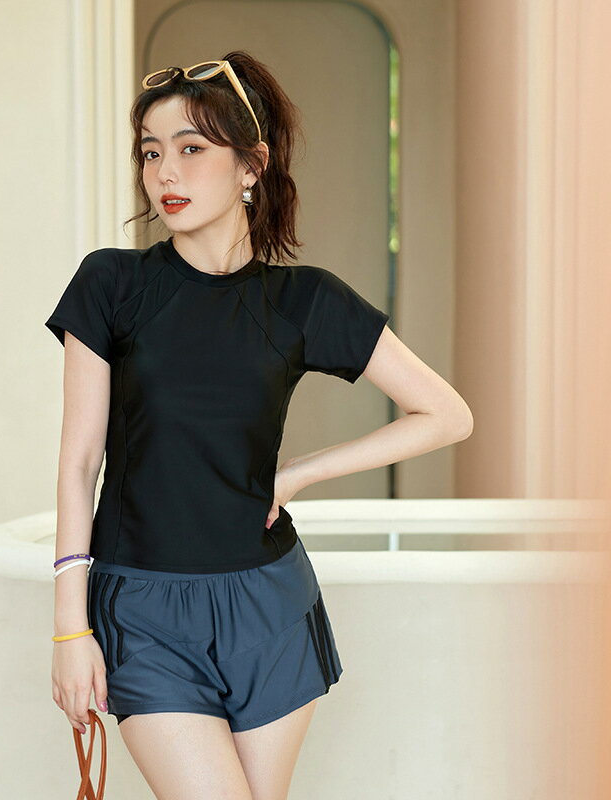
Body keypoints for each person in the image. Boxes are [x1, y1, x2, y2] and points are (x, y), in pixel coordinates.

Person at [46, 50, 473, 800]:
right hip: (143, 604)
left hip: (268, 602)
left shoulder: (304, 301)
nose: (165, 173)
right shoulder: (112, 285)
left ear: (252, 165)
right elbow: (79, 465)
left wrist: (301, 472)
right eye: (151, 152)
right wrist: (70, 629)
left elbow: (447, 414)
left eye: (191, 148)